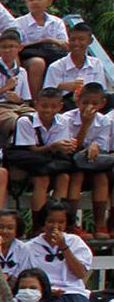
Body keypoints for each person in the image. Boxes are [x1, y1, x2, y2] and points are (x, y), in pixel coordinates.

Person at [27, 202, 95, 302]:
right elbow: (28, 276)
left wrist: (64, 247)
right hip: (46, 296)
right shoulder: (31, 247)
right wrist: (47, 291)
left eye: (60, 222)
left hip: (73, 293)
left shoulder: (75, 242)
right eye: (51, 221)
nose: (55, 226)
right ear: (43, 222)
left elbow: (79, 273)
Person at [4, 89, 74, 221]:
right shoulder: (25, 121)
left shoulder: (63, 122)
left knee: (64, 177)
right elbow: (31, 149)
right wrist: (54, 146)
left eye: (53, 107)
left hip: (47, 161)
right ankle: (38, 223)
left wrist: (68, 147)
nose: (48, 110)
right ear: (36, 105)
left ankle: (57, 218)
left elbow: (60, 149)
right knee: (42, 179)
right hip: (28, 162)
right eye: (44, 106)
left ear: (60, 107)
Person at [61, 83, 114, 238]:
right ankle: (71, 224)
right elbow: (72, 149)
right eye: (85, 103)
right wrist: (85, 124)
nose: (89, 107)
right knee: (77, 176)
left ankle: (100, 225)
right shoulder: (67, 119)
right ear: (77, 101)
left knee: (101, 178)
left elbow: (102, 147)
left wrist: (95, 145)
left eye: (95, 103)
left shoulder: (104, 121)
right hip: (72, 163)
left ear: (103, 104)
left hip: (93, 164)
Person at [14, 0, 68, 96]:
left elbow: (64, 45)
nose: (35, 2)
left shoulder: (56, 22)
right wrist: (45, 40)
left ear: (50, 0)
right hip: (27, 57)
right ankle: (35, 99)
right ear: (26, 2)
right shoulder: (19, 22)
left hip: (52, 55)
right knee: (38, 63)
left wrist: (51, 42)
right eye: (31, 0)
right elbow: (17, 46)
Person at [44, 23, 106, 99]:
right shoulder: (56, 67)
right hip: (65, 104)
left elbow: (101, 90)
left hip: (91, 102)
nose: (76, 43)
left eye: (81, 39)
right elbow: (47, 96)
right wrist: (61, 87)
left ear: (90, 41)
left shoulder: (96, 64)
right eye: (73, 39)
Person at [0, 210, 29, 284]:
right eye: (0, 227)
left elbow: (23, 273)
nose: (4, 231)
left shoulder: (23, 248)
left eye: (10, 228)